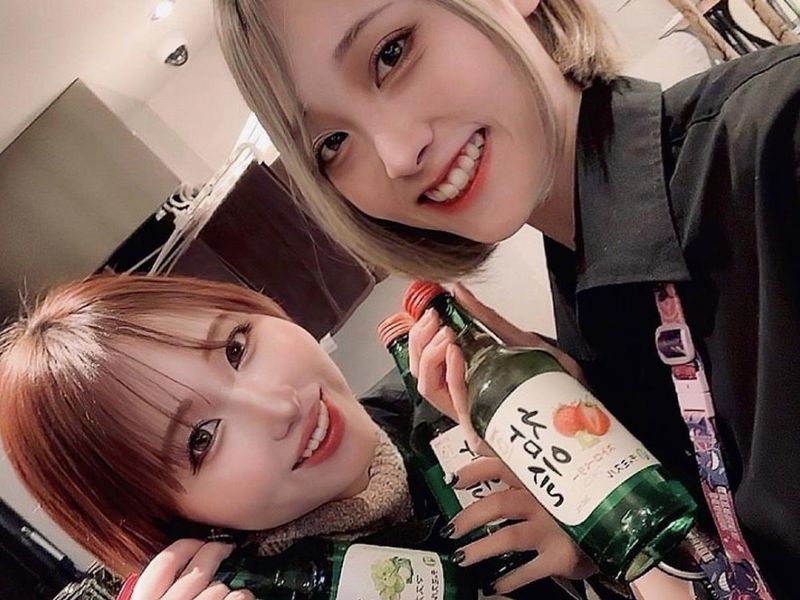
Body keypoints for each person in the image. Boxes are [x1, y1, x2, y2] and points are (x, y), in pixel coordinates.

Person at [212, 0, 800, 598]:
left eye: (392, 53)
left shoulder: (776, 144)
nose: (396, 154)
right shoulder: (591, 312)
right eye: (333, 142)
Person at [2, 274, 635, 600]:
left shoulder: (453, 408)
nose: (280, 406)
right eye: (201, 439)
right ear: (169, 519)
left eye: (236, 347)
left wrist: (602, 545)